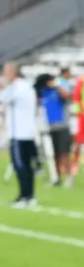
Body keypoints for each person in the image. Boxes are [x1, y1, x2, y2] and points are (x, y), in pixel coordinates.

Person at [3, 63, 39, 207]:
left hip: (19, 133)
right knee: (26, 166)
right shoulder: (27, 86)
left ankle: (25, 196)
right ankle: (29, 195)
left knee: (20, 166)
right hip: (28, 132)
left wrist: (4, 85)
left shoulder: (17, 87)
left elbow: (4, 99)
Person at [38, 73, 73, 187]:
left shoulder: (58, 91)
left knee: (64, 153)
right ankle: (56, 178)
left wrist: (57, 86)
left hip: (62, 126)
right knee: (55, 154)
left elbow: (68, 96)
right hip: (51, 127)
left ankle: (69, 177)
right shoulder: (44, 92)